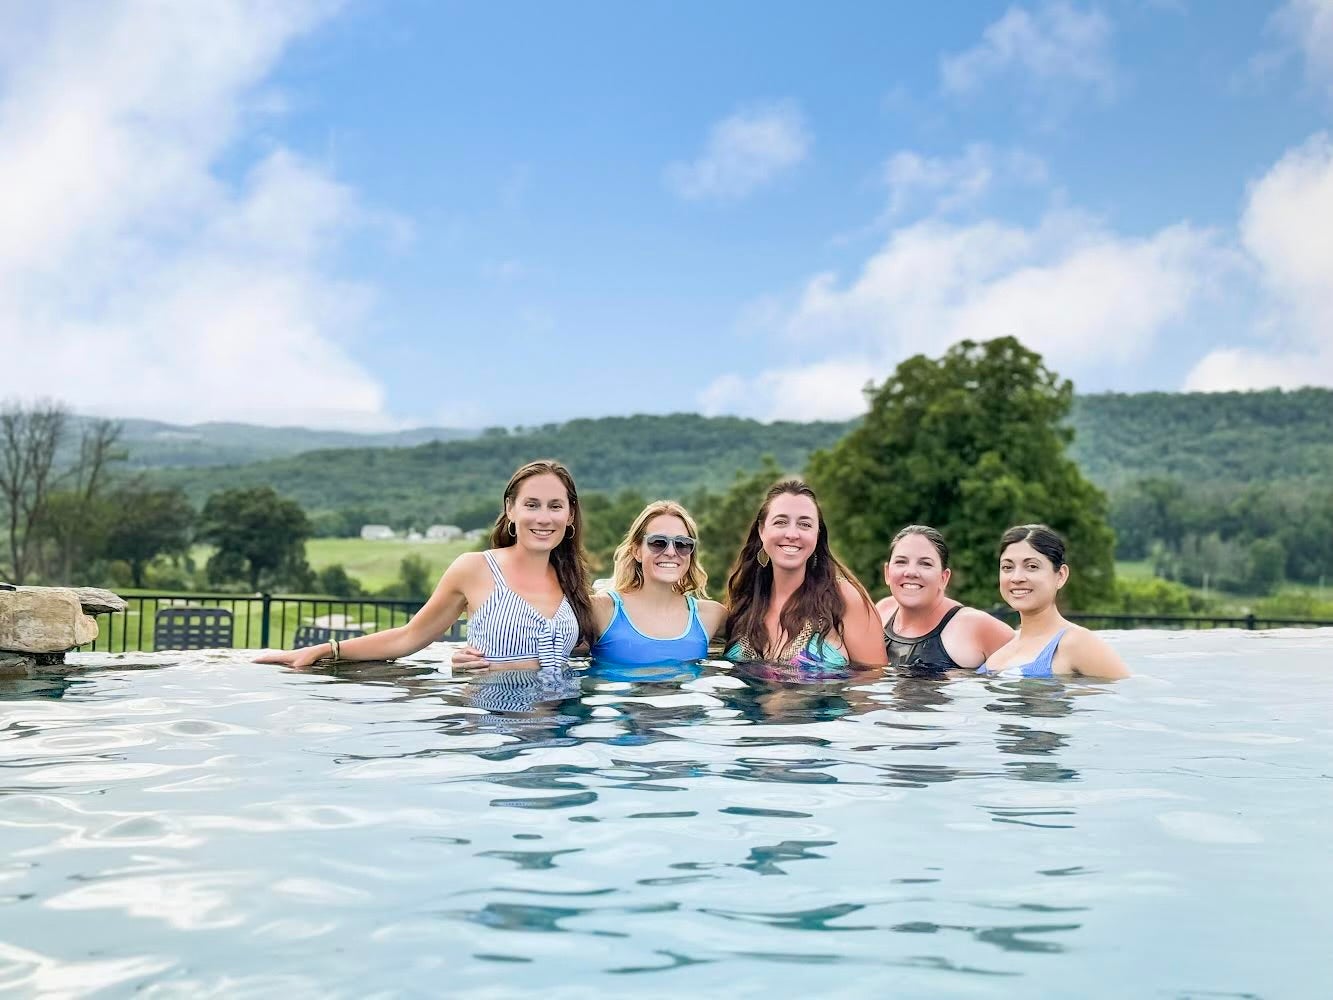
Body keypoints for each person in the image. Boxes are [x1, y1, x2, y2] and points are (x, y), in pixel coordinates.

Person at [254, 459, 596, 670]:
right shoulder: (474, 569)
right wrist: (327, 650)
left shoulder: (573, 581)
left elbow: (584, 647)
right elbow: (409, 637)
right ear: (511, 509)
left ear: (569, 516)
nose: (543, 518)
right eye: (532, 505)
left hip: (561, 729)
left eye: (555, 506)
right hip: (496, 728)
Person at [452, 500, 727, 675]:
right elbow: (540, 646)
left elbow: (762, 642)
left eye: (682, 544)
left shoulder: (710, 616)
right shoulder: (601, 610)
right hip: (622, 746)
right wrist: (475, 658)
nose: (671, 552)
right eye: (658, 542)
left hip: (686, 746)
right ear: (636, 550)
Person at [722, 479, 886, 669]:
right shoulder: (746, 599)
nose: (792, 534)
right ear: (761, 530)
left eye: (805, 524)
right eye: (781, 522)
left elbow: (873, 684)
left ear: (818, 534)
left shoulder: (844, 597)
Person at [977, 524, 1129, 680]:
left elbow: (1126, 695)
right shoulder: (1002, 646)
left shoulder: (1076, 642)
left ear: (1061, 575)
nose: (1016, 578)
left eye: (1032, 566)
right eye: (1007, 567)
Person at [879, 524, 1013, 672]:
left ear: (944, 578)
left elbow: (1031, 659)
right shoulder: (881, 612)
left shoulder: (974, 625)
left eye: (925, 564)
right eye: (901, 562)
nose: (911, 572)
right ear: (887, 573)